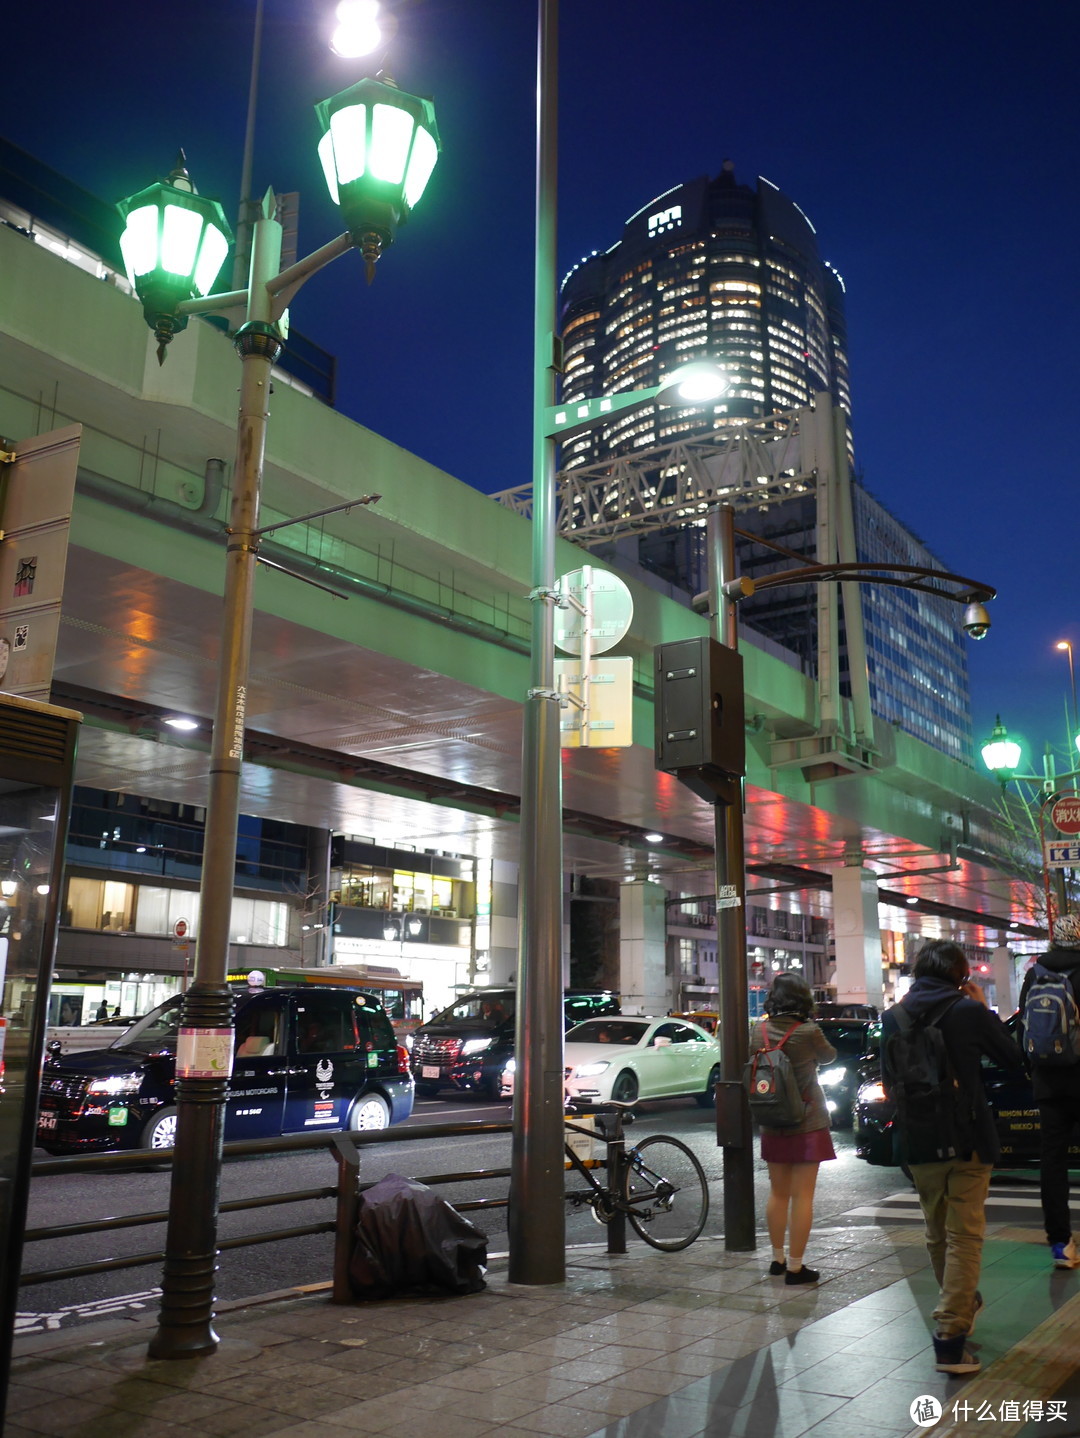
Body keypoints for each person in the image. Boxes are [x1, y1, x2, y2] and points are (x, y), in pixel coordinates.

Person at [882, 940, 1025, 1376]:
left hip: (919, 1141)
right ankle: (949, 1335)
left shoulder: (894, 1016)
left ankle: (958, 1303)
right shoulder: (967, 1011)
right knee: (965, 1234)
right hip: (966, 1138)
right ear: (960, 977)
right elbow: (1014, 1060)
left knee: (936, 1231)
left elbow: (891, 1083)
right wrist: (984, 1010)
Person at [749, 970, 837, 1286]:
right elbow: (829, 1057)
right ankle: (796, 1268)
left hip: (772, 1119)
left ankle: (777, 1259)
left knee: (778, 1192)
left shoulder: (758, 1031)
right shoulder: (808, 1031)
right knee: (803, 1196)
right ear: (802, 999)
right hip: (807, 1121)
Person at [1017, 911, 1080, 1269]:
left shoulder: (1036, 974)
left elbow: (1023, 1031)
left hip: (1049, 1082)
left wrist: (1034, 1072)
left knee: (1052, 1162)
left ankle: (1060, 1243)